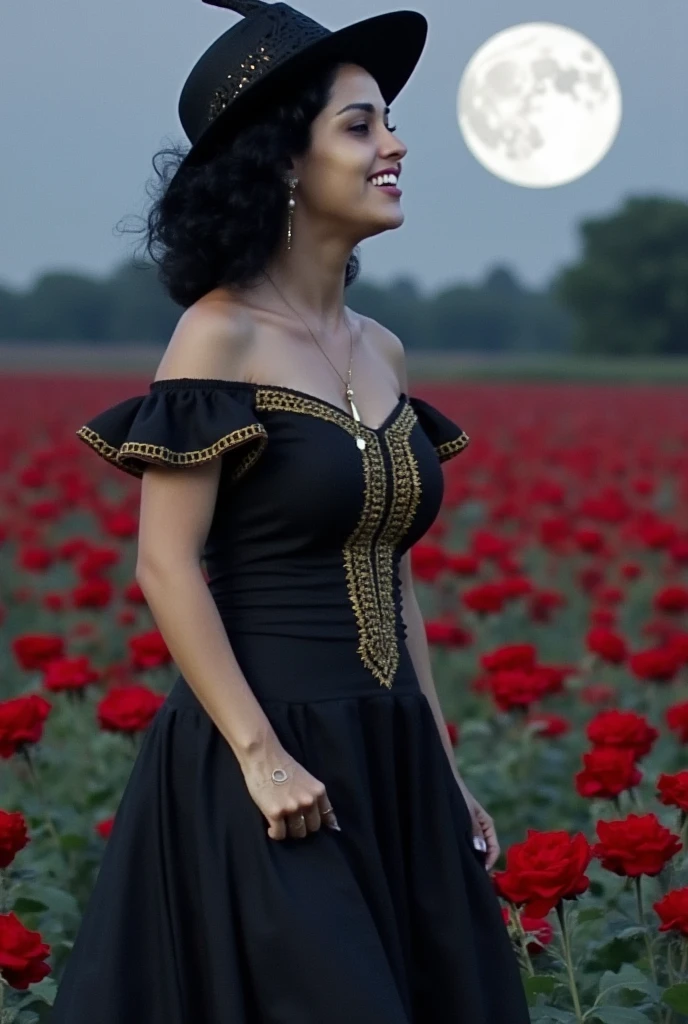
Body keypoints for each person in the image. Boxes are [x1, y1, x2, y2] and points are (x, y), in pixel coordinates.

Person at [51, 1, 532, 1021]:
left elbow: (395, 574)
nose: (395, 144)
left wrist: (445, 771)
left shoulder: (383, 348)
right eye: (360, 125)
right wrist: (262, 758)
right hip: (265, 758)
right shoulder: (215, 336)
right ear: (281, 161)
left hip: (391, 754)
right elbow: (166, 566)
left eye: (390, 121)